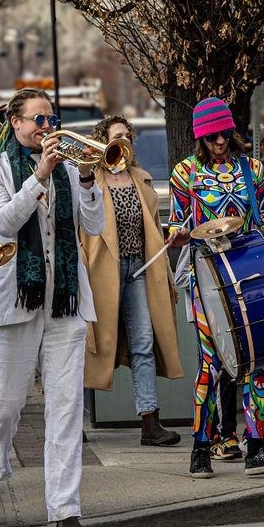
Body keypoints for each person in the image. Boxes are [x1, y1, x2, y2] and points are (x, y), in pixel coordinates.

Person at [0, 88, 104, 527]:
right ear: (16, 122)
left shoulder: (68, 168)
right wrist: (40, 176)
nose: (48, 127)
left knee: (66, 409)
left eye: (51, 118)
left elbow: (94, 226)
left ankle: (65, 512)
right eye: (38, 120)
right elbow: (4, 222)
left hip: (65, 302)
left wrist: (85, 181)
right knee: (6, 407)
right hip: (17, 304)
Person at [167, 96, 264, 479]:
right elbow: (178, 220)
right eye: (211, 137)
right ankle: (200, 450)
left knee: (259, 361)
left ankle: (255, 446)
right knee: (211, 365)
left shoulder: (252, 168)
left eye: (224, 134)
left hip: (250, 272)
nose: (219, 142)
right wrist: (177, 234)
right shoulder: (185, 172)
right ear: (199, 138)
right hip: (207, 277)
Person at [81, 115, 184, 447]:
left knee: (143, 344)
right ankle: (69, 422)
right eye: (116, 136)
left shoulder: (141, 178)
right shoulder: (89, 179)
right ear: (103, 140)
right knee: (91, 346)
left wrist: (167, 275)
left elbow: (153, 229)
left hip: (139, 270)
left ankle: (149, 422)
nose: (123, 140)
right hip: (102, 273)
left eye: (127, 135)